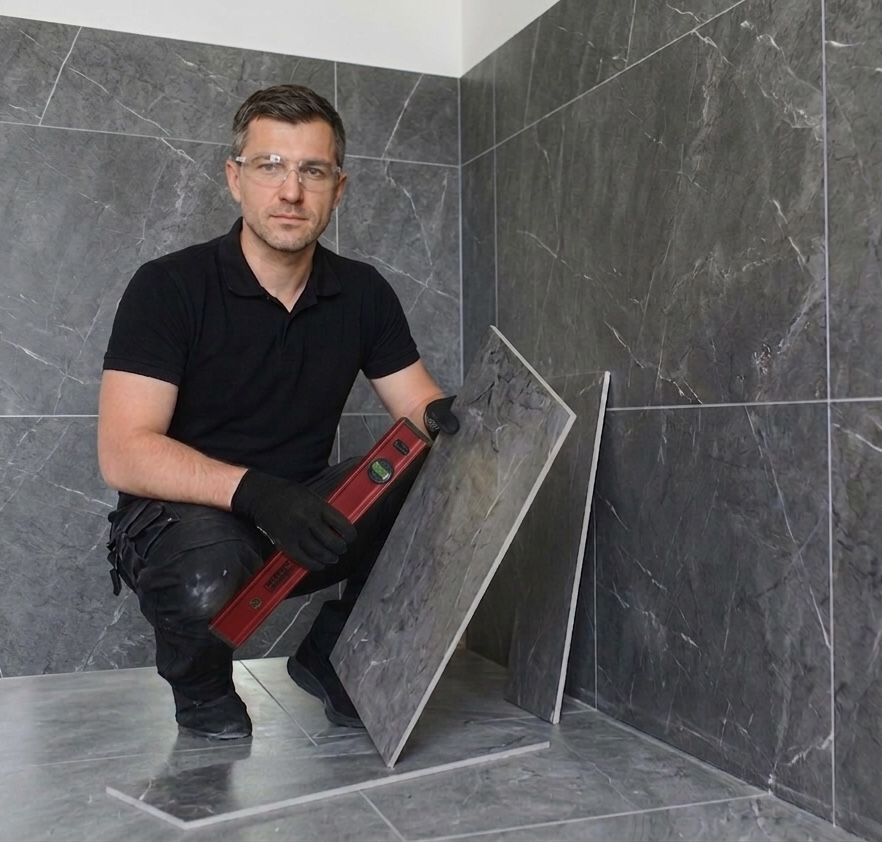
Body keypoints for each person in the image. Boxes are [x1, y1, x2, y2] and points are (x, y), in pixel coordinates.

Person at [98, 84, 458, 740]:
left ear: (338, 190)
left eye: (312, 171)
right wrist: (256, 493)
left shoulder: (362, 293)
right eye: (270, 165)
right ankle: (204, 689)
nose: (291, 191)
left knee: (441, 473)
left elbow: (420, 409)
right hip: (182, 527)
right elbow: (124, 449)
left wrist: (458, 419)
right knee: (209, 576)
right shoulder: (169, 287)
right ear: (235, 179)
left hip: (300, 516)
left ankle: (335, 653)